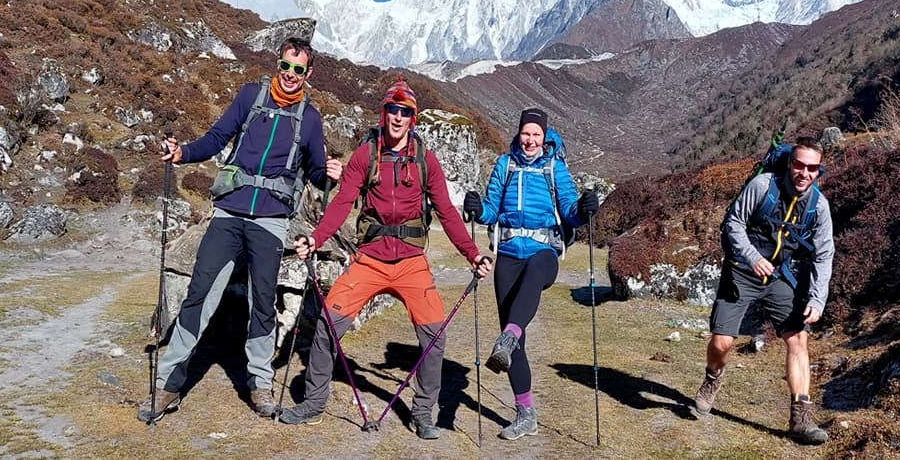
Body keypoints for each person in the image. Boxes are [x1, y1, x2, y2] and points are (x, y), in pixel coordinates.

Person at [138, 36, 343, 423]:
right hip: (230, 211)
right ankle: (168, 385)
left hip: (271, 219)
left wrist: (328, 172)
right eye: (285, 66)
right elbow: (217, 138)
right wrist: (183, 153)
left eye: (299, 69)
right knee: (199, 293)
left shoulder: (310, 119)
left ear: (308, 73)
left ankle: (260, 384)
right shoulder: (251, 97)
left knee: (263, 301)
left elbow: (316, 173)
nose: (290, 75)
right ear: (277, 65)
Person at [280, 76, 493, 439]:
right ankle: (313, 404)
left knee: (433, 337)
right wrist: (316, 239)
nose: (397, 117)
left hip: (411, 262)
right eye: (391, 110)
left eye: (404, 112)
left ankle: (423, 413)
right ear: (384, 113)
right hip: (370, 261)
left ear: (413, 118)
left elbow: (446, 211)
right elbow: (342, 204)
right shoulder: (365, 154)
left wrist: (472, 254)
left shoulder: (425, 159)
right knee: (327, 328)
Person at [462, 108, 599, 441]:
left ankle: (508, 335)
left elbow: (568, 210)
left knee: (528, 291)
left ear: (545, 137)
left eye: (536, 134)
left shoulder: (555, 168)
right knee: (514, 344)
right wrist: (479, 209)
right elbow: (493, 208)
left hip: (544, 253)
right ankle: (525, 413)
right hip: (508, 254)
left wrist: (583, 210)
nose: (531, 140)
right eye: (526, 133)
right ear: (519, 133)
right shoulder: (504, 164)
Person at [692, 137, 835, 445]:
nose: (804, 173)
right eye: (799, 165)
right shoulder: (762, 186)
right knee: (722, 343)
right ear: (789, 164)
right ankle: (712, 379)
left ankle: (801, 419)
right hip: (743, 271)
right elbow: (733, 224)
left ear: (818, 170)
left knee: (798, 339)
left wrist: (817, 297)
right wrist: (752, 257)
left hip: (780, 276)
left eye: (812, 168)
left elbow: (824, 254)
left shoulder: (818, 206)